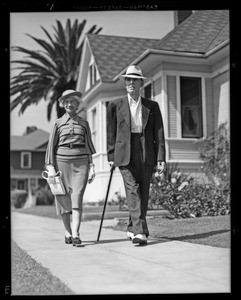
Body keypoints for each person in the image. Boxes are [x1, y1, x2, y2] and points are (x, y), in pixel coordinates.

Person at [107, 65, 166, 245]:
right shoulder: (115, 105)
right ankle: (141, 231)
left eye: (134, 79)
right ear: (125, 83)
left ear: (141, 83)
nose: (130, 82)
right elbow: (111, 134)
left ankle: (133, 228)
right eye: (128, 79)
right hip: (124, 152)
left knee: (144, 192)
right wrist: (111, 157)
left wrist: (161, 158)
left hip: (146, 150)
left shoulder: (152, 106)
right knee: (133, 190)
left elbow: (159, 132)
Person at [45, 89, 96, 246]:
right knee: (63, 198)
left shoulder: (84, 124)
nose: (69, 104)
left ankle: (75, 234)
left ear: (77, 104)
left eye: (72, 101)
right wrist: (50, 167)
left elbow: (88, 147)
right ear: (62, 104)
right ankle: (67, 231)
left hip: (81, 163)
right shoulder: (58, 123)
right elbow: (50, 147)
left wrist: (92, 166)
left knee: (77, 196)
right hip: (61, 162)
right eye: (66, 101)